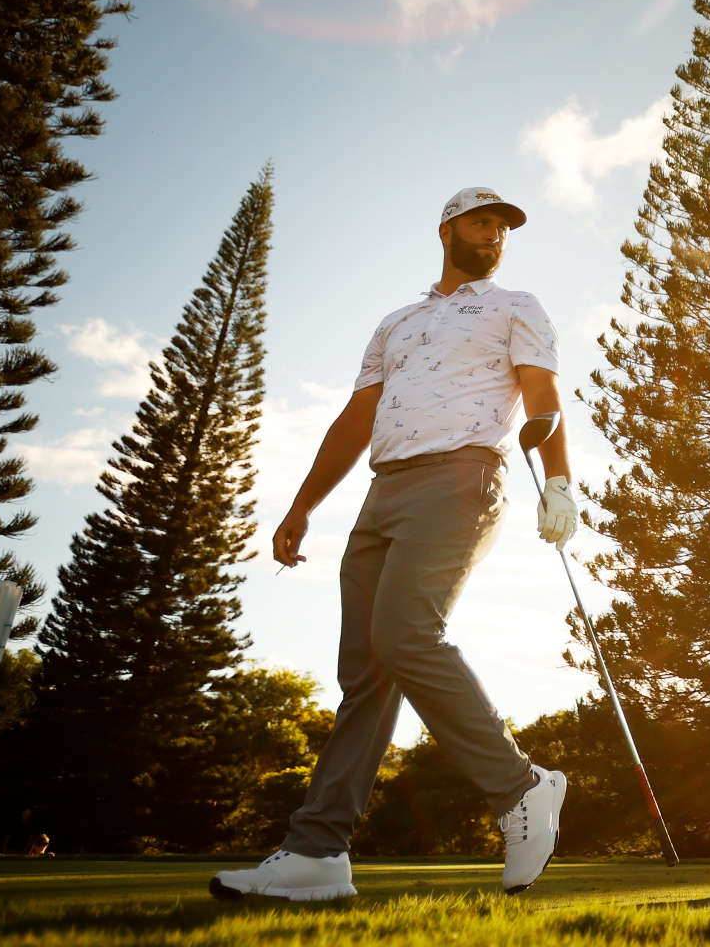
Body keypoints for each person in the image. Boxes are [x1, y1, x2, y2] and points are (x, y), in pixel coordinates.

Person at [212, 186, 579, 901]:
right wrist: (301, 506)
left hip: (463, 475)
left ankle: (520, 787)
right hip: (384, 492)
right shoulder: (398, 322)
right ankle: (317, 853)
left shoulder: (516, 306)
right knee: (366, 675)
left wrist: (559, 483)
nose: (494, 232)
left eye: (502, 225)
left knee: (408, 633)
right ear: (446, 229)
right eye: (481, 219)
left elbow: (542, 396)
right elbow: (356, 419)